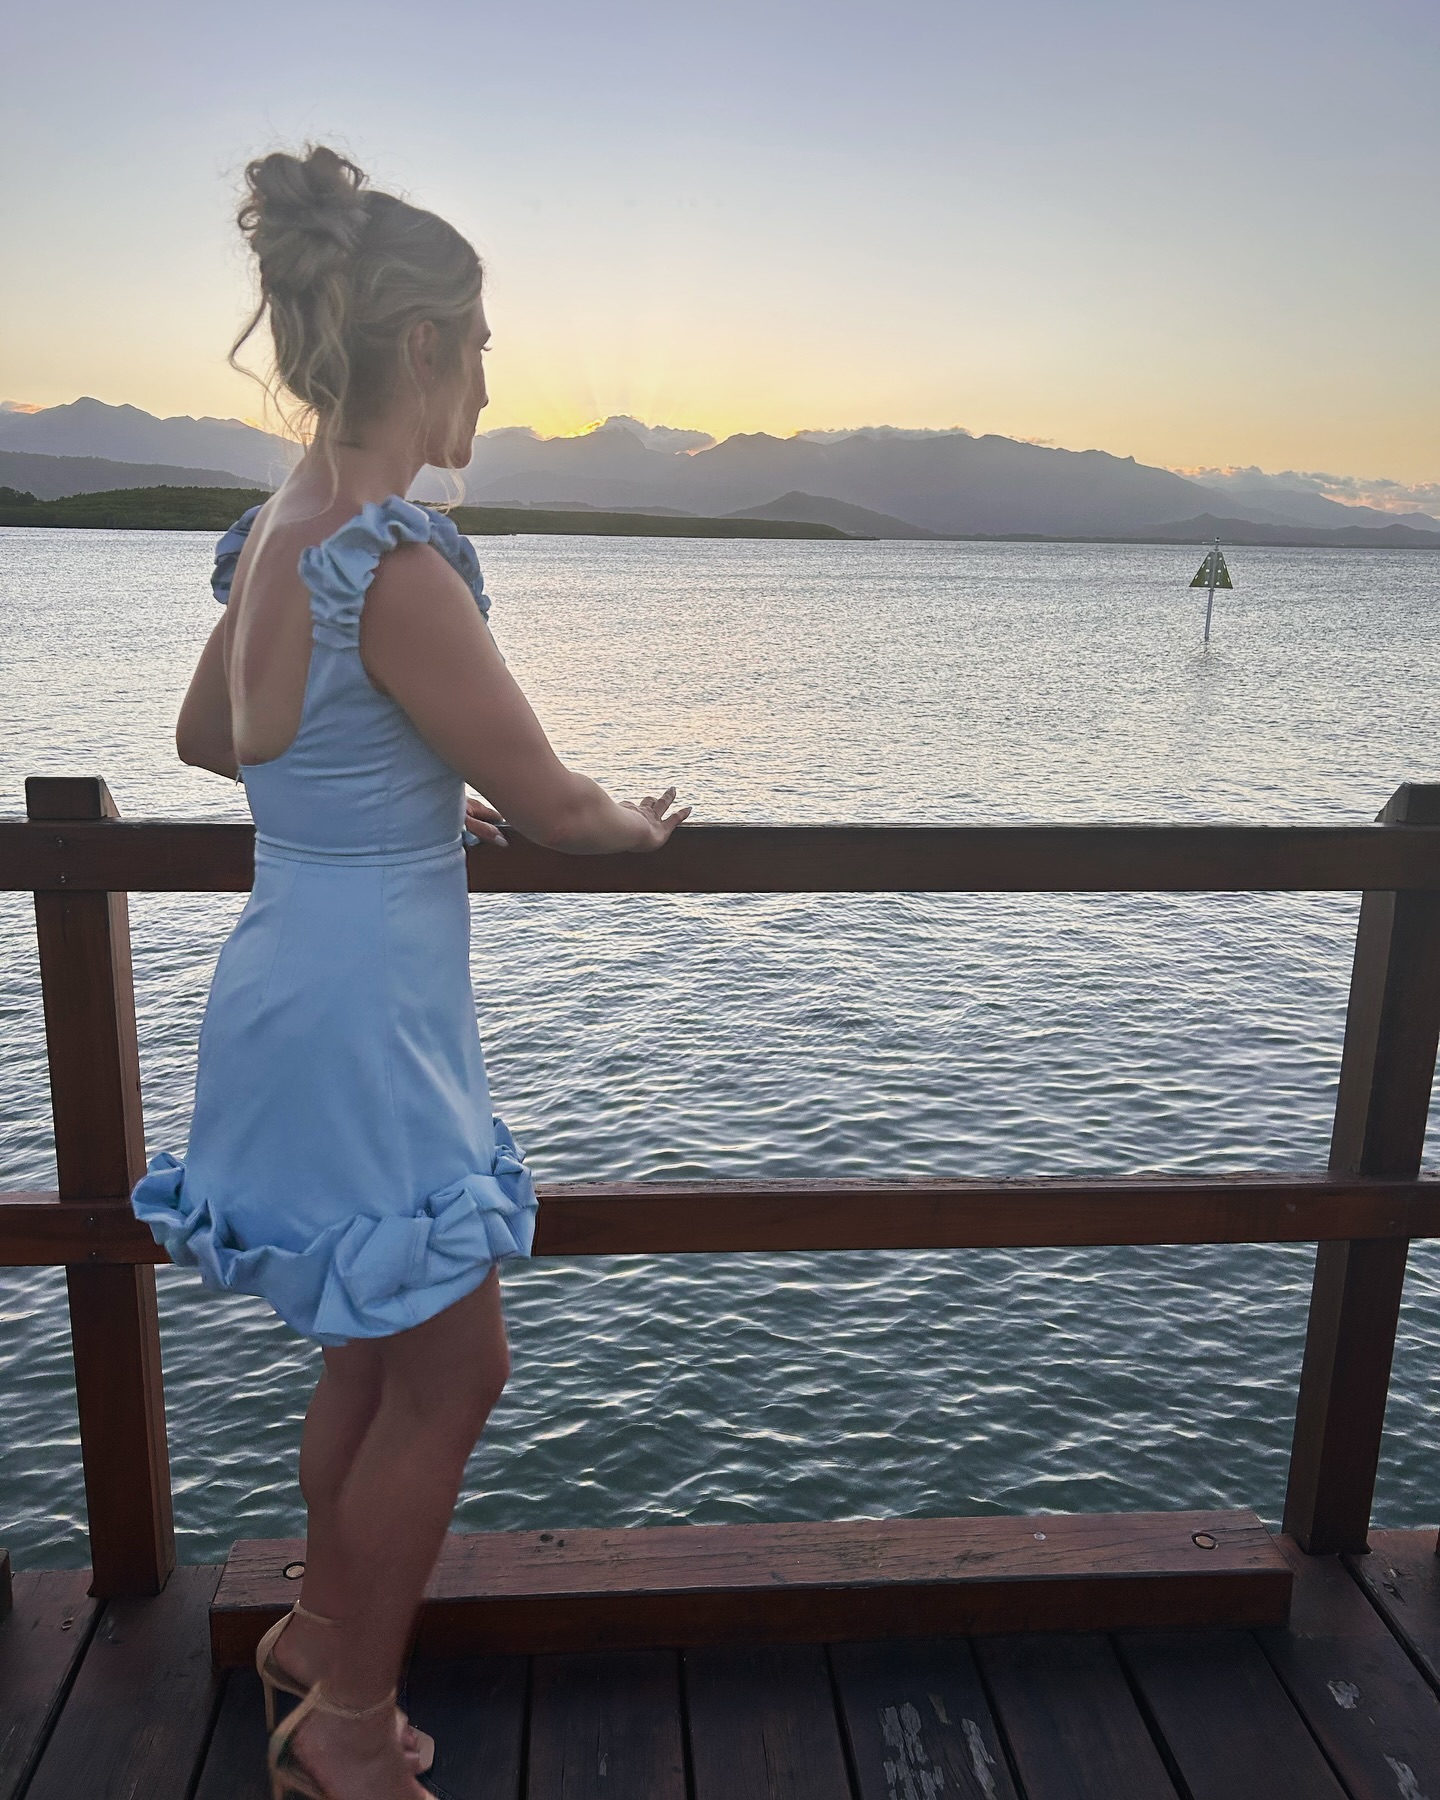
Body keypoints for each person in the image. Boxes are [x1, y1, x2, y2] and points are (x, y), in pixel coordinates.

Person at [131, 144, 689, 1800]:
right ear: (429, 349)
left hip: (289, 971)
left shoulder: (273, 533)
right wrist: (638, 824)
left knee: (369, 1346)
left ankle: (315, 1638)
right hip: (375, 1011)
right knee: (457, 1364)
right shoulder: (398, 559)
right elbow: (556, 804)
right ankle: (349, 1731)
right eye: (486, 348)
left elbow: (210, 737)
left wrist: (382, 794)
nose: (492, 386)